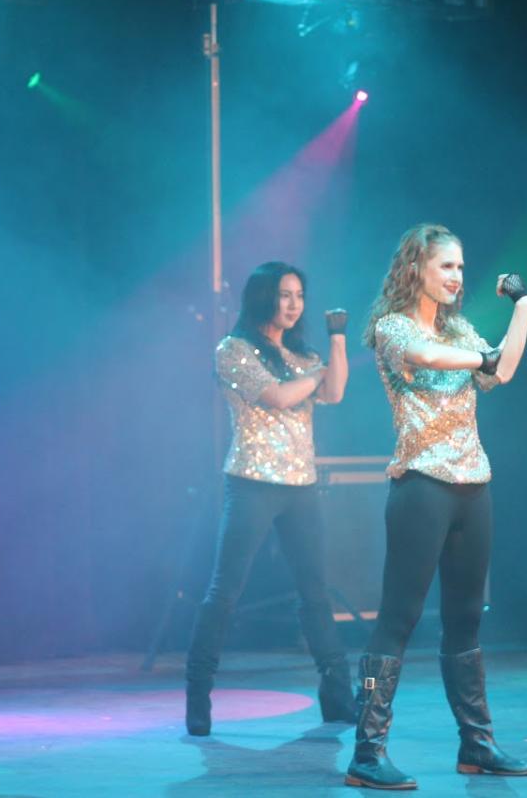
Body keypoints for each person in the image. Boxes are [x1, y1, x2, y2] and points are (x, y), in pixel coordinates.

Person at [345, 223, 527, 790]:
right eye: (446, 266)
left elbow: (500, 369)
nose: (457, 277)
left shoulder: (460, 328)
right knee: (398, 620)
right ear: (416, 270)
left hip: (473, 486)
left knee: (466, 619)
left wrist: (523, 305)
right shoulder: (393, 328)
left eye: (460, 267)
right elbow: (433, 354)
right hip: (422, 487)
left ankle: (477, 743)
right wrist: (477, 354)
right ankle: (367, 750)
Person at [185, 261, 354, 735]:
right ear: (263, 297)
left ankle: (338, 696)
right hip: (253, 482)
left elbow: (335, 391)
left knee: (315, 592)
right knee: (225, 590)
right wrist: (317, 376)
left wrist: (337, 338)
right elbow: (276, 397)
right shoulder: (233, 350)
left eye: (300, 294)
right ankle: (198, 695)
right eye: (285, 294)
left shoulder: (303, 355)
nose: (294, 304)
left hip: (300, 484)